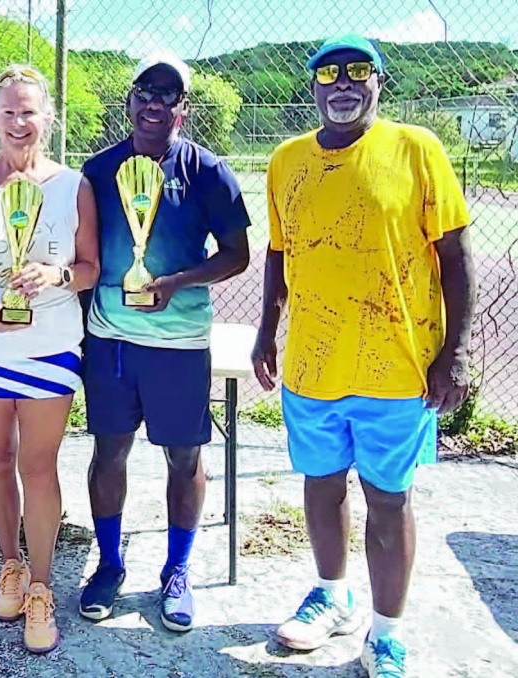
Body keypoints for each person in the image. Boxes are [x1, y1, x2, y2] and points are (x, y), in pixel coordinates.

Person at [253, 35, 475, 677]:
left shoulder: (416, 149)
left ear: (380, 81)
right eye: (328, 74)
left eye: (358, 72)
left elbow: (456, 257)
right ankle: (332, 593)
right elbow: (278, 253)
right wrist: (267, 330)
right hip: (313, 365)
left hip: (396, 366)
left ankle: (386, 631)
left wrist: (455, 353)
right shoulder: (287, 160)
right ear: (314, 86)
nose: (342, 84)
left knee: (388, 499)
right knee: (321, 488)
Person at [78, 52, 251, 632]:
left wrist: (178, 282)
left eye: (168, 94)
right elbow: (85, 255)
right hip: (112, 340)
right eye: (144, 91)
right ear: (129, 101)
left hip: (178, 345)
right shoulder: (97, 170)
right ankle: (108, 563)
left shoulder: (207, 171)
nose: (154, 103)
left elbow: (237, 255)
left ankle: (177, 570)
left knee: (184, 456)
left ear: (184, 107)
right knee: (109, 453)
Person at [0, 65, 100, 653]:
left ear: (47, 117)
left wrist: (54, 274)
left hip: (49, 347)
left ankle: (41, 586)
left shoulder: (72, 186)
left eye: (28, 111)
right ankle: (9, 563)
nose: (18, 121)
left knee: (38, 465)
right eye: (8, 111)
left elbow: (90, 270)